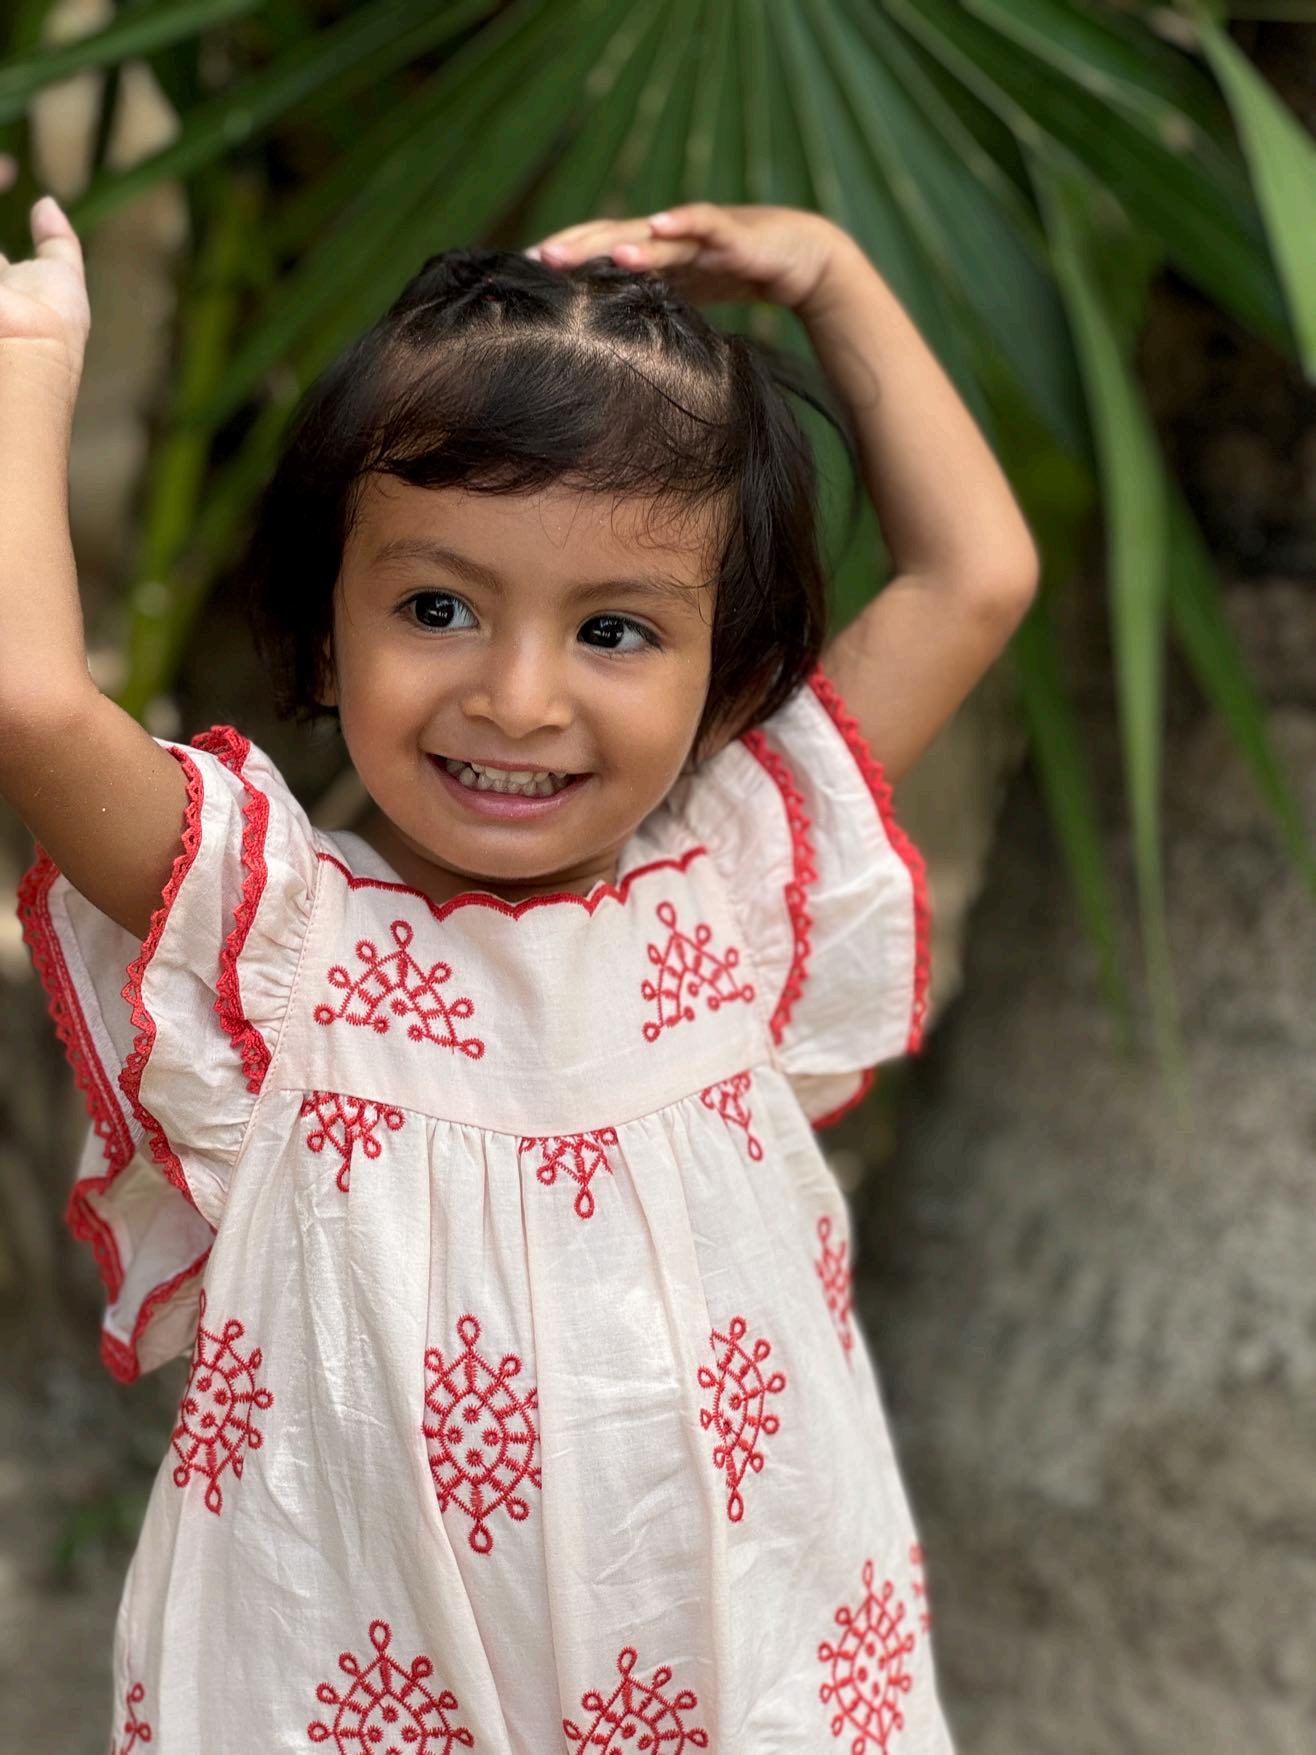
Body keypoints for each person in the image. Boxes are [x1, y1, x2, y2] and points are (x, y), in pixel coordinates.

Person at [1, 193, 1038, 1752]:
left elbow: (975, 577)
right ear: (328, 631)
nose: (519, 696)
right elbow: (29, 704)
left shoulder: (734, 889)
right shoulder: (273, 947)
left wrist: (831, 273)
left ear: (731, 676)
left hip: (750, 1668)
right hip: (357, 1685)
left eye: (616, 629)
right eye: (438, 608)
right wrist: (25, 365)